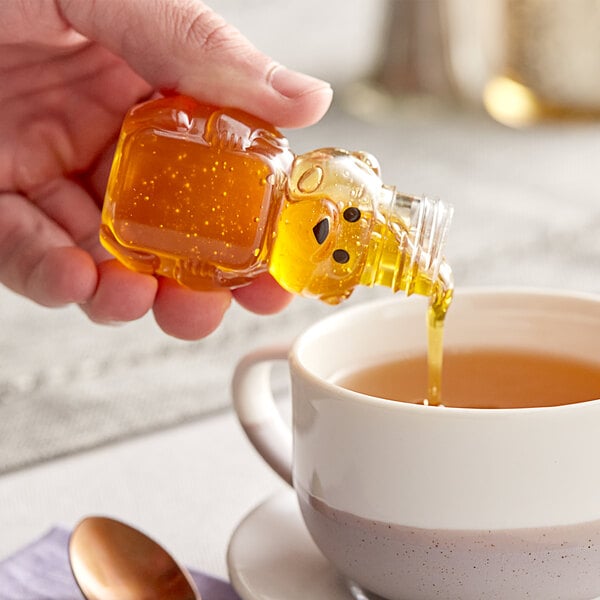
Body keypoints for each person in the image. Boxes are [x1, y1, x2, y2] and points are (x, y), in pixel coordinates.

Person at [0, 0, 333, 340]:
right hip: (145, 137)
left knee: (101, 280)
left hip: (132, 204)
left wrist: (192, 266)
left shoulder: (246, 263)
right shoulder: (273, 155)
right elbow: (222, 125)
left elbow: (197, 270)